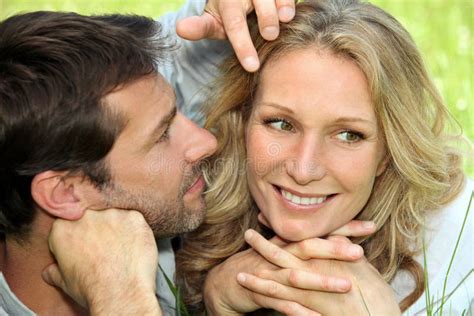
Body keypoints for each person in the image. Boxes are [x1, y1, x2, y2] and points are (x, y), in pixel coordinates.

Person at [0, 0, 318, 314]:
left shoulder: (129, 102)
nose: (207, 142)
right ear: (66, 193)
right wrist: (122, 299)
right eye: (163, 134)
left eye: (176, 109)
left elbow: (189, 52)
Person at [176, 0, 473, 314]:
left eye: (348, 135)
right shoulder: (184, 205)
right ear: (244, 122)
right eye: (281, 124)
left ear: (388, 151)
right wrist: (217, 297)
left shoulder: (458, 245)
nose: (303, 170)